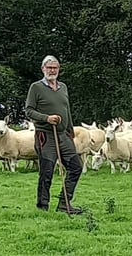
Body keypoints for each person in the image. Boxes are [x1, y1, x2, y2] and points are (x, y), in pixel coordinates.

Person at [25, 55, 84, 214]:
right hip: (46, 136)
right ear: (43, 69)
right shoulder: (36, 88)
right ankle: (42, 207)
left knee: (76, 167)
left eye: (55, 67)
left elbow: (67, 110)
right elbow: (29, 111)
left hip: (63, 135)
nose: (52, 70)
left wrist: (70, 131)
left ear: (59, 69)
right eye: (49, 67)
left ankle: (65, 204)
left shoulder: (63, 87)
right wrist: (46, 118)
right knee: (47, 172)